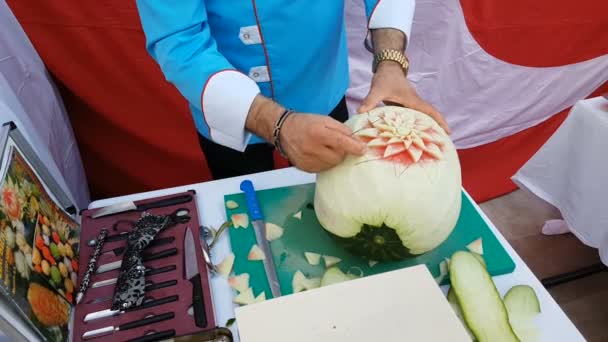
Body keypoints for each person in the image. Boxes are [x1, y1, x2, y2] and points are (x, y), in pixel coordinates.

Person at [135, 1, 449, 179]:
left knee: (339, 204)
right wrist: (271, 121)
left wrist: (390, 63)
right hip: (227, 106)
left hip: (321, 87)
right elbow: (180, 42)